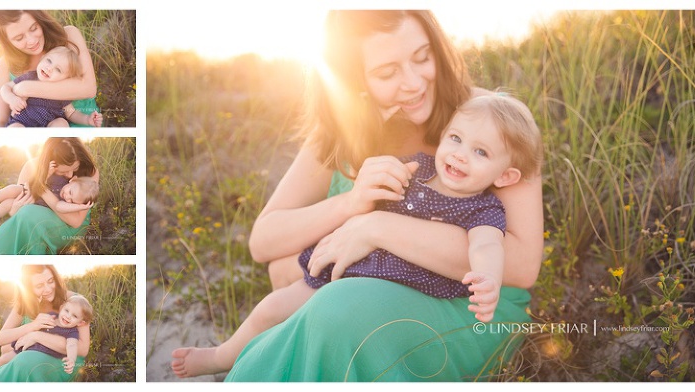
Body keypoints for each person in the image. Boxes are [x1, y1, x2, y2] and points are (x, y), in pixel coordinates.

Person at [218, 10, 543, 381]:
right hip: (351, 288)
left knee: (338, 308)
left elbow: (521, 267)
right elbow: (264, 242)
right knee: (321, 298)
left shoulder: (491, 121)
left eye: (422, 57)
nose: (414, 83)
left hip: (468, 306)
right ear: (354, 79)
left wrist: (375, 226)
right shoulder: (340, 131)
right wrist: (351, 203)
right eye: (387, 73)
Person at [171, 94, 543, 378]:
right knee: (271, 308)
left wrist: (487, 278)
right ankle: (222, 356)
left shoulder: (483, 209)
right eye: (456, 139)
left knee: (327, 315)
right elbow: (365, 201)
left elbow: (487, 245)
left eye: (480, 152)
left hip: (405, 292)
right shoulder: (416, 168)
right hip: (354, 267)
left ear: (504, 176)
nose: (460, 155)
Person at [0, 137, 100, 255]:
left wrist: (39, 186)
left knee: (28, 215)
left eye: (75, 168)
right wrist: (14, 210)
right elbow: (18, 208)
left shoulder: (90, 171)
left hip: (69, 226)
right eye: (63, 172)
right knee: (21, 219)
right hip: (34, 217)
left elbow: (75, 221)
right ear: (50, 163)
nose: (70, 175)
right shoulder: (31, 167)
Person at [0, 10, 99, 128]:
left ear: (40, 20)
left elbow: (89, 88)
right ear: (7, 42)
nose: (32, 41)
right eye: (19, 38)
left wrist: (27, 88)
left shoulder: (68, 35)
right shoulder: (5, 64)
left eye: (34, 28)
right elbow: (1, 121)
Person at [0, 265, 92, 382]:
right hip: (32, 352)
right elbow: (2, 338)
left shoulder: (76, 302)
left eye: (50, 281)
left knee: (24, 361)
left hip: (66, 360)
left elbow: (82, 349)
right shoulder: (25, 303)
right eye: (39, 286)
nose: (48, 289)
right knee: (15, 357)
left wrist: (36, 336)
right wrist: (33, 326)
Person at [0, 294, 94, 378]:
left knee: (15, 360)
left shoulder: (72, 332)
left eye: (74, 316)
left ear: (81, 323)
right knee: (4, 357)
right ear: (61, 308)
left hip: (44, 353)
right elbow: (36, 325)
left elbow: (72, 345)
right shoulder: (51, 316)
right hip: (32, 345)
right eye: (67, 311)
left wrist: (71, 359)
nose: (68, 316)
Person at [2, 45, 103, 128]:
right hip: (22, 122)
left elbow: (71, 113)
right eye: (49, 61)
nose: (49, 68)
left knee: (62, 124)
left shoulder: (61, 92)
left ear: (65, 78)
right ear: (42, 58)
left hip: (48, 126)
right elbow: (5, 88)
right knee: (14, 129)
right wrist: (12, 99)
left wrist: (87, 119)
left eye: (58, 70)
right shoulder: (30, 77)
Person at [0, 173, 98, 222]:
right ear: (73, 180)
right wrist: (48, 170)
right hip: (30, 191)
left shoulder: (64, 203)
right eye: (70, 192)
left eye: (72, 201)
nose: (67, 197)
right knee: (13, 189)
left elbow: (59, 207)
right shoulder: (60, 178)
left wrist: (79, 206)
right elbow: (41, 176)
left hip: (33, 205)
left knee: (9, 203)